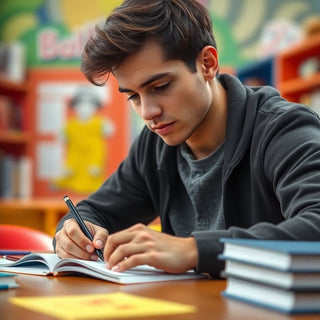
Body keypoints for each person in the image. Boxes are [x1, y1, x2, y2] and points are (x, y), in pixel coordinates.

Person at [54, 0, 320, 278]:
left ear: (207, 64)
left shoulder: (283, 128)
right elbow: (95, 211)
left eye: (161, 86)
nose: (148, 113)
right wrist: (73, 231)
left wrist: (194, 250)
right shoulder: (154, 143)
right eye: (133, 96)